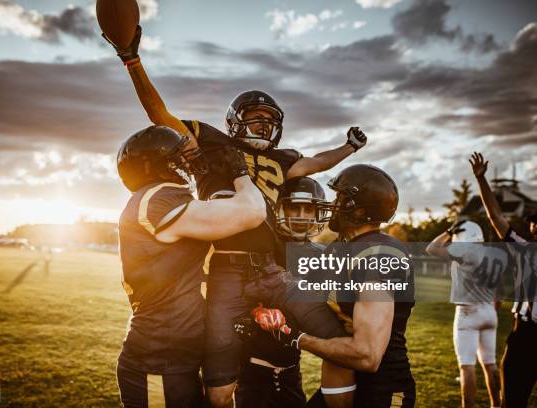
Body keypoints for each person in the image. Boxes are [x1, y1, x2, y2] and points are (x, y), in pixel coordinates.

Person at [107, 27, 365, 407]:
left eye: (268, 119)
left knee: (342, 343)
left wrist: (347, 148)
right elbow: (161, 116)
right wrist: (133, 63)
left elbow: (314, 162)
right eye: (255, 117)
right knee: (219, 390)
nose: (263, 125)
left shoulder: (282, 160)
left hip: (273, 270)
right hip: (226, 271)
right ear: (234, 120)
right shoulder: (212, 146)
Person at [115, 125, 267, 407]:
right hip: (158, 360)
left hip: (175, 355)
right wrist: (240, 175)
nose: (187, 161)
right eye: (177, 157)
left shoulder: (158, 198)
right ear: (154, 165)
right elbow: (253, 212)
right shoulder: (156, 198)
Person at [265, 165, 417, 408]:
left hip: (381, 389)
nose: (333, 204)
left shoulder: (378, 256)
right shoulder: (342, 248)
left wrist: (296, 339)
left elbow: (368, 355)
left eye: (339, 198)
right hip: (344, 380)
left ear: (356, 209)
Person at [234, 177, 333, 408]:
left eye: (308, 209)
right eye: (293, 207)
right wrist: (255, 311)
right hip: (252, 370)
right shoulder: (262, 246)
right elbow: (234, 294)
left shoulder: (323, 255)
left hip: (290, 370)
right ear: (280, 208)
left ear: (318, 213)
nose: (300, 215)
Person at [469, 152, 536, 408]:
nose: (535, 227)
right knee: (512, 402)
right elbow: (496, 217)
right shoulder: (524, 249)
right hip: (524, 336)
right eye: (533, 224)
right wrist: (482, 180)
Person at [427, 220, 505, 408]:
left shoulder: (465, 250)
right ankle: (497, 404)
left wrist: (447, 231)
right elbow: (499, 290)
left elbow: (432, 248)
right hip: (489, 311)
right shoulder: (494, 255)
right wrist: (491, 307)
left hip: (468, 312)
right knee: (490, 363)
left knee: (467, 366)